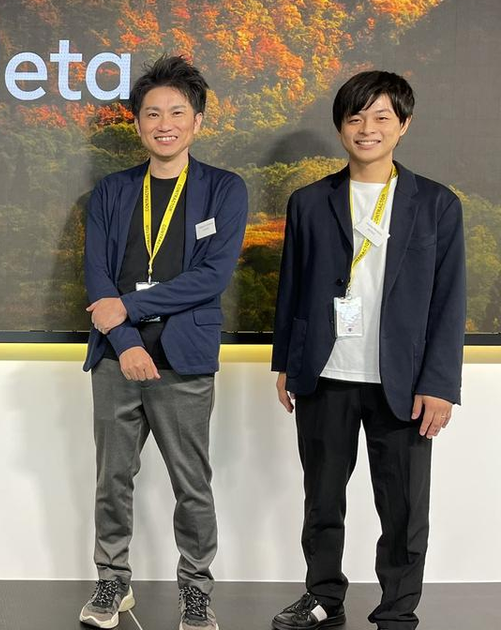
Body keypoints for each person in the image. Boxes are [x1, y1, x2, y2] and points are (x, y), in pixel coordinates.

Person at [269, 71, 466, 630]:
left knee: (403, 507)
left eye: (381, 117)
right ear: (340, 127)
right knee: (321, 500)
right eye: (355, 117)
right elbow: (292, 288)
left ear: (404, 125)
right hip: (324, 373)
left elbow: (449, 300)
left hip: (403, 381)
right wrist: (285, 362)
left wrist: (440, 384)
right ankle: (323, 596)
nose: (367, 129)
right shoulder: (309, 202)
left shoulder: (436, 204)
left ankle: (398, 609)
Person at [79, 55, 248, 630]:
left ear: (198, 121)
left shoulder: (224, 189)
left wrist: (129, 307)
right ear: (137, 122)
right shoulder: (112, 191)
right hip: (117, 357)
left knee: (191, 484)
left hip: (185, 359)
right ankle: (112, 581)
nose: (165, 123)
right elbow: (98, 278)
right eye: (152, 113)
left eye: (177, 112)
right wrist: (126, 340)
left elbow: (211, 277)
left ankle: (196, 590)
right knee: (112, 479)